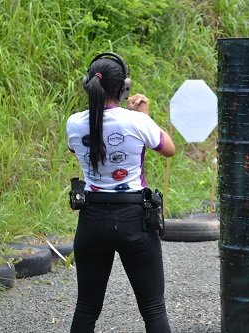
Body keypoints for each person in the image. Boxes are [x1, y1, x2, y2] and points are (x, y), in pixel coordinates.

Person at [66, 52, 175, 333]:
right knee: (153, 309)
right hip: (134, 220)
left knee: (86, 309)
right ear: (124, 87)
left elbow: (77, 145)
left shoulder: (74, 123)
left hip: (91, 219)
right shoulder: (137, 121)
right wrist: (144, 117)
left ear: (87, 84)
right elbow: (168, 149)